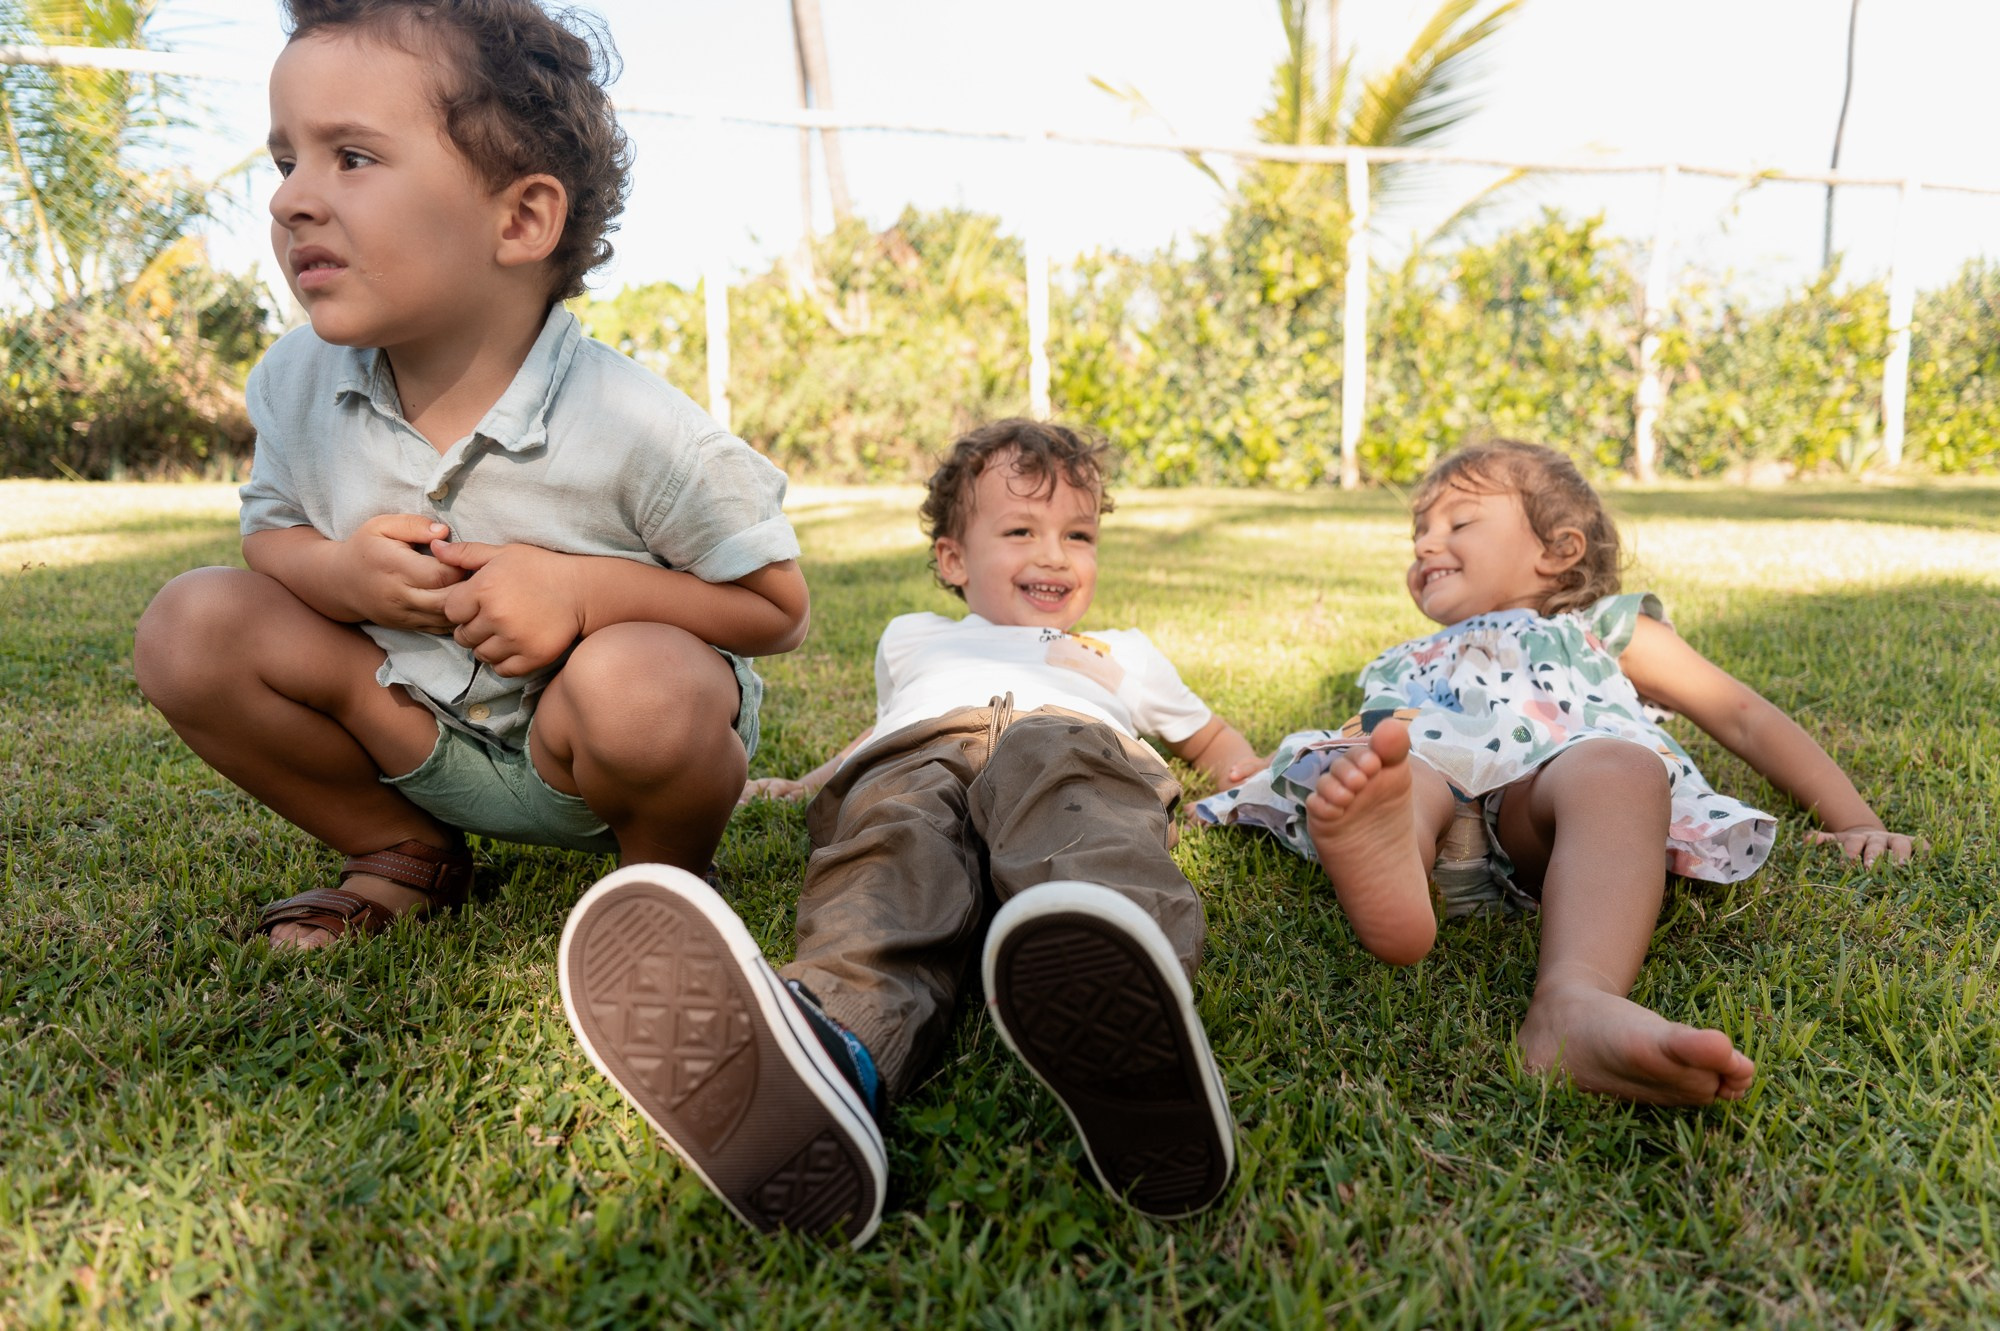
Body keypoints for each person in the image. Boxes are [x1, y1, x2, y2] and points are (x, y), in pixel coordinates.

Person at [132, 0, 806, 948]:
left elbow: (776, 607)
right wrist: (337, 574)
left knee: (642, 684)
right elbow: (268, 531)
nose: (288, 199)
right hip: (408, 722)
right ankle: (402, 851)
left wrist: (580, 593)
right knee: (188, 626)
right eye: (287, 161)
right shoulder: (295, 378)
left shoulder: (637, 425)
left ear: (522, 217)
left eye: (351, 158)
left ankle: (662, 882)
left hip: (597, 744)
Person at [558, 420, 1258, 1246]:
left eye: (1079, 534)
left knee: (1081, 807)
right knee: (892, 842)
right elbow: (883, 730)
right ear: (954, 560)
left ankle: (1128, 989)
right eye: (1021, 531)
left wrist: (1259, 785)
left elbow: (1212, 743)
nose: (1057, 556)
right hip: (922, 755)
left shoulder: (1126, 653)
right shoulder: (912, 636)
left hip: (1066, 745)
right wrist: (810, 783)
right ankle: (837, 1051)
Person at [1196, 439, 1918, 1107]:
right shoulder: (1409, 657)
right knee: (1391, 767)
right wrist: (1258, 772)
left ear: (1558, 550)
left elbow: (1741, 716)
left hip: (1542, 809)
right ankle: (1397, 862)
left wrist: (1853, 818)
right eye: (1419, 530)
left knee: (1618, 767)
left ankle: (1576, 1000)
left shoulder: (1600, 629)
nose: (1425, 541)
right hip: (1440, 791)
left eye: (1458, 522)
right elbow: (1366, 740)